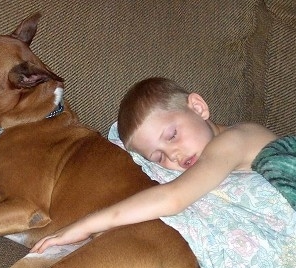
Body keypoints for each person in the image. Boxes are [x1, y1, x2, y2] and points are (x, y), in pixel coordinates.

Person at [30, 77, 279, 254]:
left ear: (198, 107)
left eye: (172, 136)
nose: (173, 154)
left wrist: (82, 226)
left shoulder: (236, 139)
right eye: (159, 157)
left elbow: (173, 198)